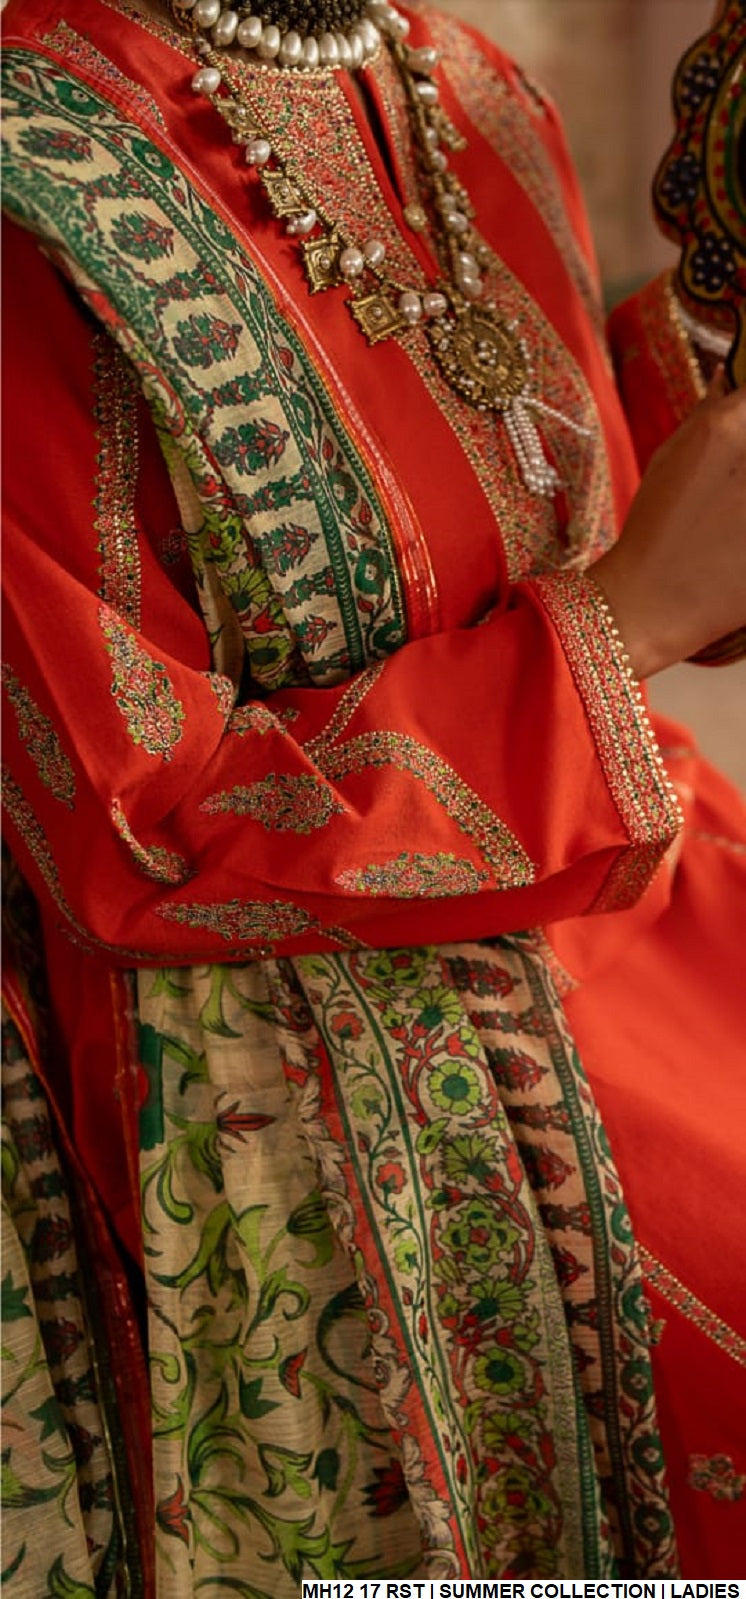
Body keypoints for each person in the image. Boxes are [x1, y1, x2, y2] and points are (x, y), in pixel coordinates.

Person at [2, 0, 745, 1590]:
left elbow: (528, 499)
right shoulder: (30, 175)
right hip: (318, 1017)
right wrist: (628, 619)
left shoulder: (466, 83)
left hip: (638, 893)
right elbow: (139, 838)